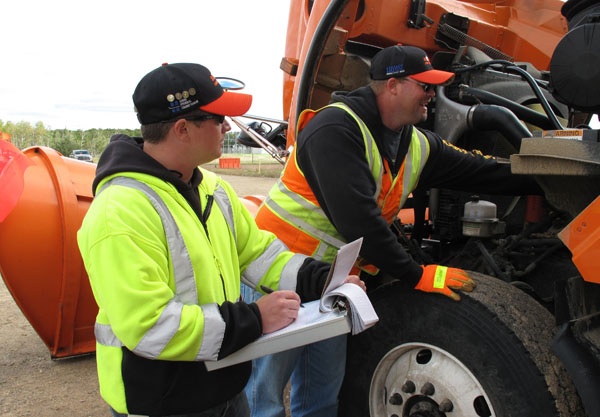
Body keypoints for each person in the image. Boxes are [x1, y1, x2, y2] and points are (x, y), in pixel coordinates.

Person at [243, 45, 543, 416]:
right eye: (425, 86)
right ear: (394, 85)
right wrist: (415, 274)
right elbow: (359, 220)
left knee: (322, 397)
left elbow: (479, 170)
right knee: (265, 398)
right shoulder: (334, 129)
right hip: (281, 276)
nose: (432, 96)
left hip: (334, 284)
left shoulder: (414, 143)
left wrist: (548, 177)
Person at [76, 62, 365, 417]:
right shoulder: (119, 211)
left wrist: (321, 280)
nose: (227, 126)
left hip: (225, 385)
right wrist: (255, 319)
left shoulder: (213, 190)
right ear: (182, 129)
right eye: (218, 118)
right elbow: (150, 326)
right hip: (164, 401)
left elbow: (259, 255)